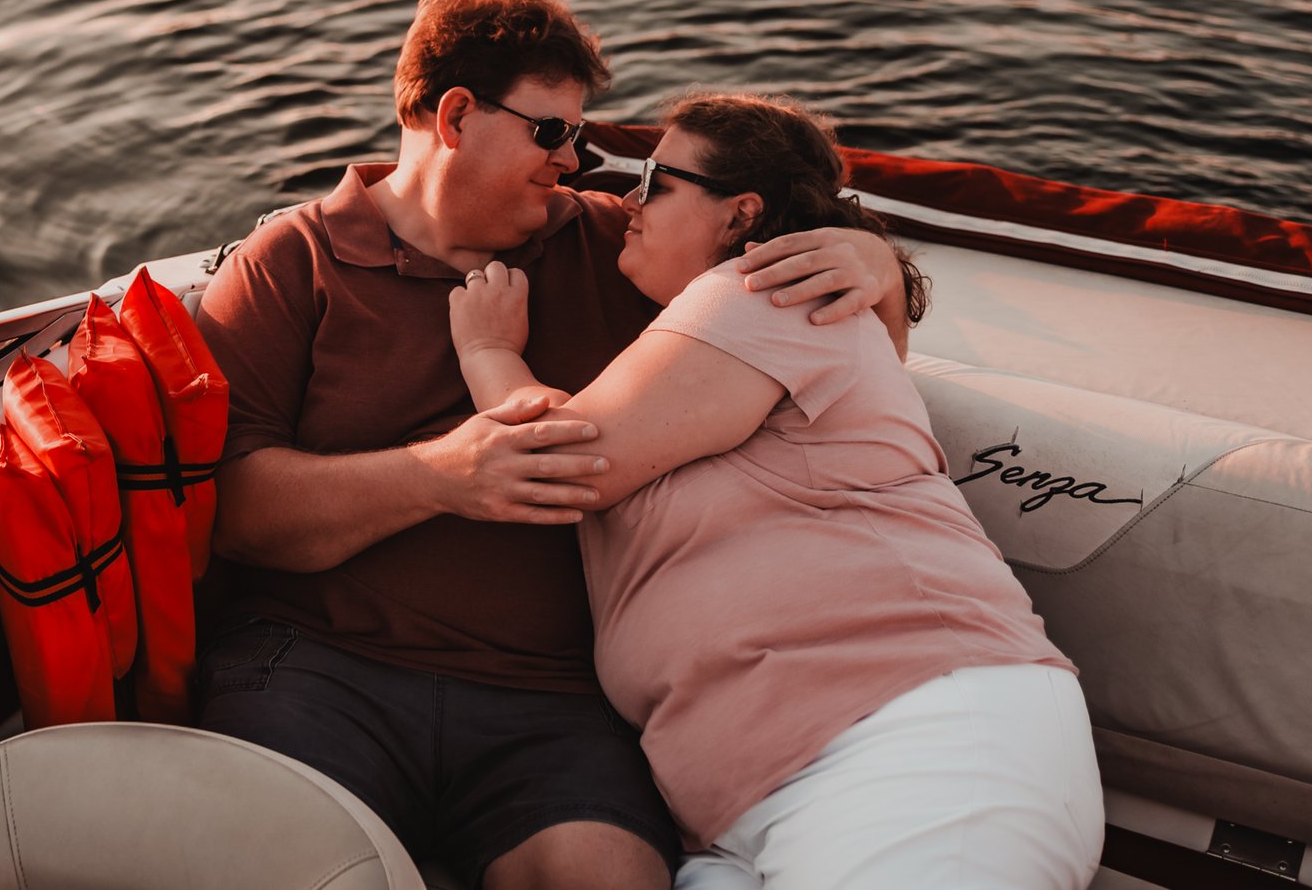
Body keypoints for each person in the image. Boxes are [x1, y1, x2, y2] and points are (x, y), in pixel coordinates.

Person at [195, 0, 913, 890]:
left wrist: (877, 265)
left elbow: (830, 349)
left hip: (557, 703)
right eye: (552, 131)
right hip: (321, 672)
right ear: (456, 115)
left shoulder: (624, 248)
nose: (574, 161)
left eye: (584, 135)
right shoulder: (291, 263)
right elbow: (236, 510)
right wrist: (442, 475)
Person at [448, 93, 1105, 890]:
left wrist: (487, 350)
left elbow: (566, 462)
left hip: (911, 741)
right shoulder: (751, 323)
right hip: (746, 807)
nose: (629, 199)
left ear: (741, 213)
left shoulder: (760, 291)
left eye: (656, 178)